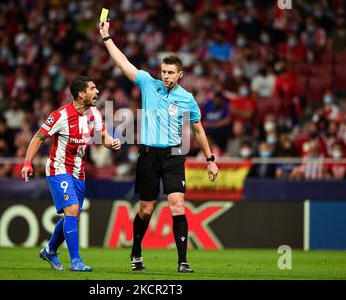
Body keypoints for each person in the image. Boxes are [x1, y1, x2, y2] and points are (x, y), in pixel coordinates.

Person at [99, 20, 219, 273]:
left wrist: (210, 159)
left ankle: (183, 262)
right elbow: (123, 63)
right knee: (146, 209)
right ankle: (136, 252)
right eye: (163, 71)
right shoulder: (147, 83)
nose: (165, 76)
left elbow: (198, 130)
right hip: (149, 154)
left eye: (170, 73)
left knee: (177, 204)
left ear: (180, 75)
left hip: (174, 155)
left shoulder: (187, 98)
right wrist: (107, 38)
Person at [21, 76, 121, 271]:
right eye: (93, 88)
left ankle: (49, 250)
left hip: (79, 171)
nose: (97, 91)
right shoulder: (60, 116)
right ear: (81, 94)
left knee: (73, 215)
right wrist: (27, 163)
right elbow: (38, 137)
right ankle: (76, 261)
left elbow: (104, 137)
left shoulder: (94, 113)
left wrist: (112, 142)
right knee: (72, 210)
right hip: (59, 168)